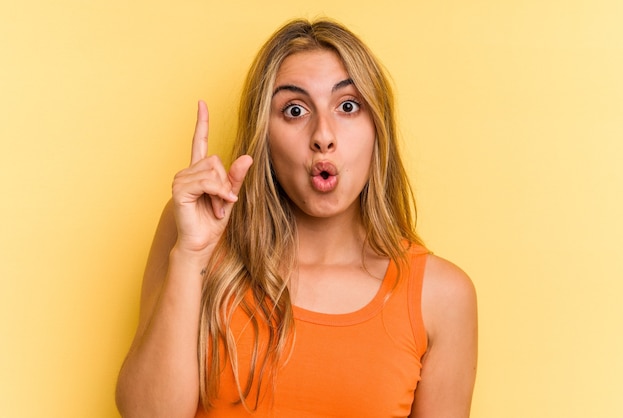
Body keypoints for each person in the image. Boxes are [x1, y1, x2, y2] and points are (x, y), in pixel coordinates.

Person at [115, 18, 477, 418]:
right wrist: (190, 255)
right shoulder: (194, 233)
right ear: (263, 135)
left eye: (348, 106)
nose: (323, 135)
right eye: (294, 109)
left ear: (378, 129)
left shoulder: (441, 296)